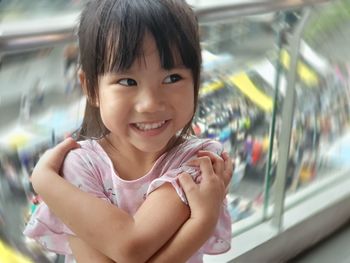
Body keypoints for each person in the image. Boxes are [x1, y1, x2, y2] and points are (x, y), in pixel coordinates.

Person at [24, 1, 233, 262]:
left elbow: (131, 247)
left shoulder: (201, 160)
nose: (150, 104)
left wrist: (44, 180)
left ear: (196, 80)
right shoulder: (78, 165)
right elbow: (131, 247)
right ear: (90, 88)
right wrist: (201, 223)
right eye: (127, 81)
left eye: (172, 78)